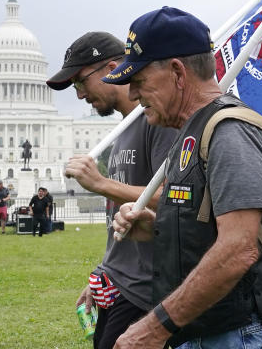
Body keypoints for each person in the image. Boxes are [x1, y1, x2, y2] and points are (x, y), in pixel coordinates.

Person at [108, 7, 262, 349]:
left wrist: (154, 328)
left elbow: (238, 249)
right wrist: (155, 226)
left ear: (177, 73)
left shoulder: (230, 132)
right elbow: (213, 230)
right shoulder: (191, 133)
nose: (134, 96)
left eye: (139, 82)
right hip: (213, 335)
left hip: (245, 337)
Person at [47, 31, 177, 349]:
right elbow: (121, 215)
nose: (79, 95)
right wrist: (104, 270)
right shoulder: (122, 130)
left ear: (112, 68)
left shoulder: (157, 122)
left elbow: (175, 198)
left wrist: (101, 184)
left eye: (80, 82)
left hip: (146, 291)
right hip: (119, 283)